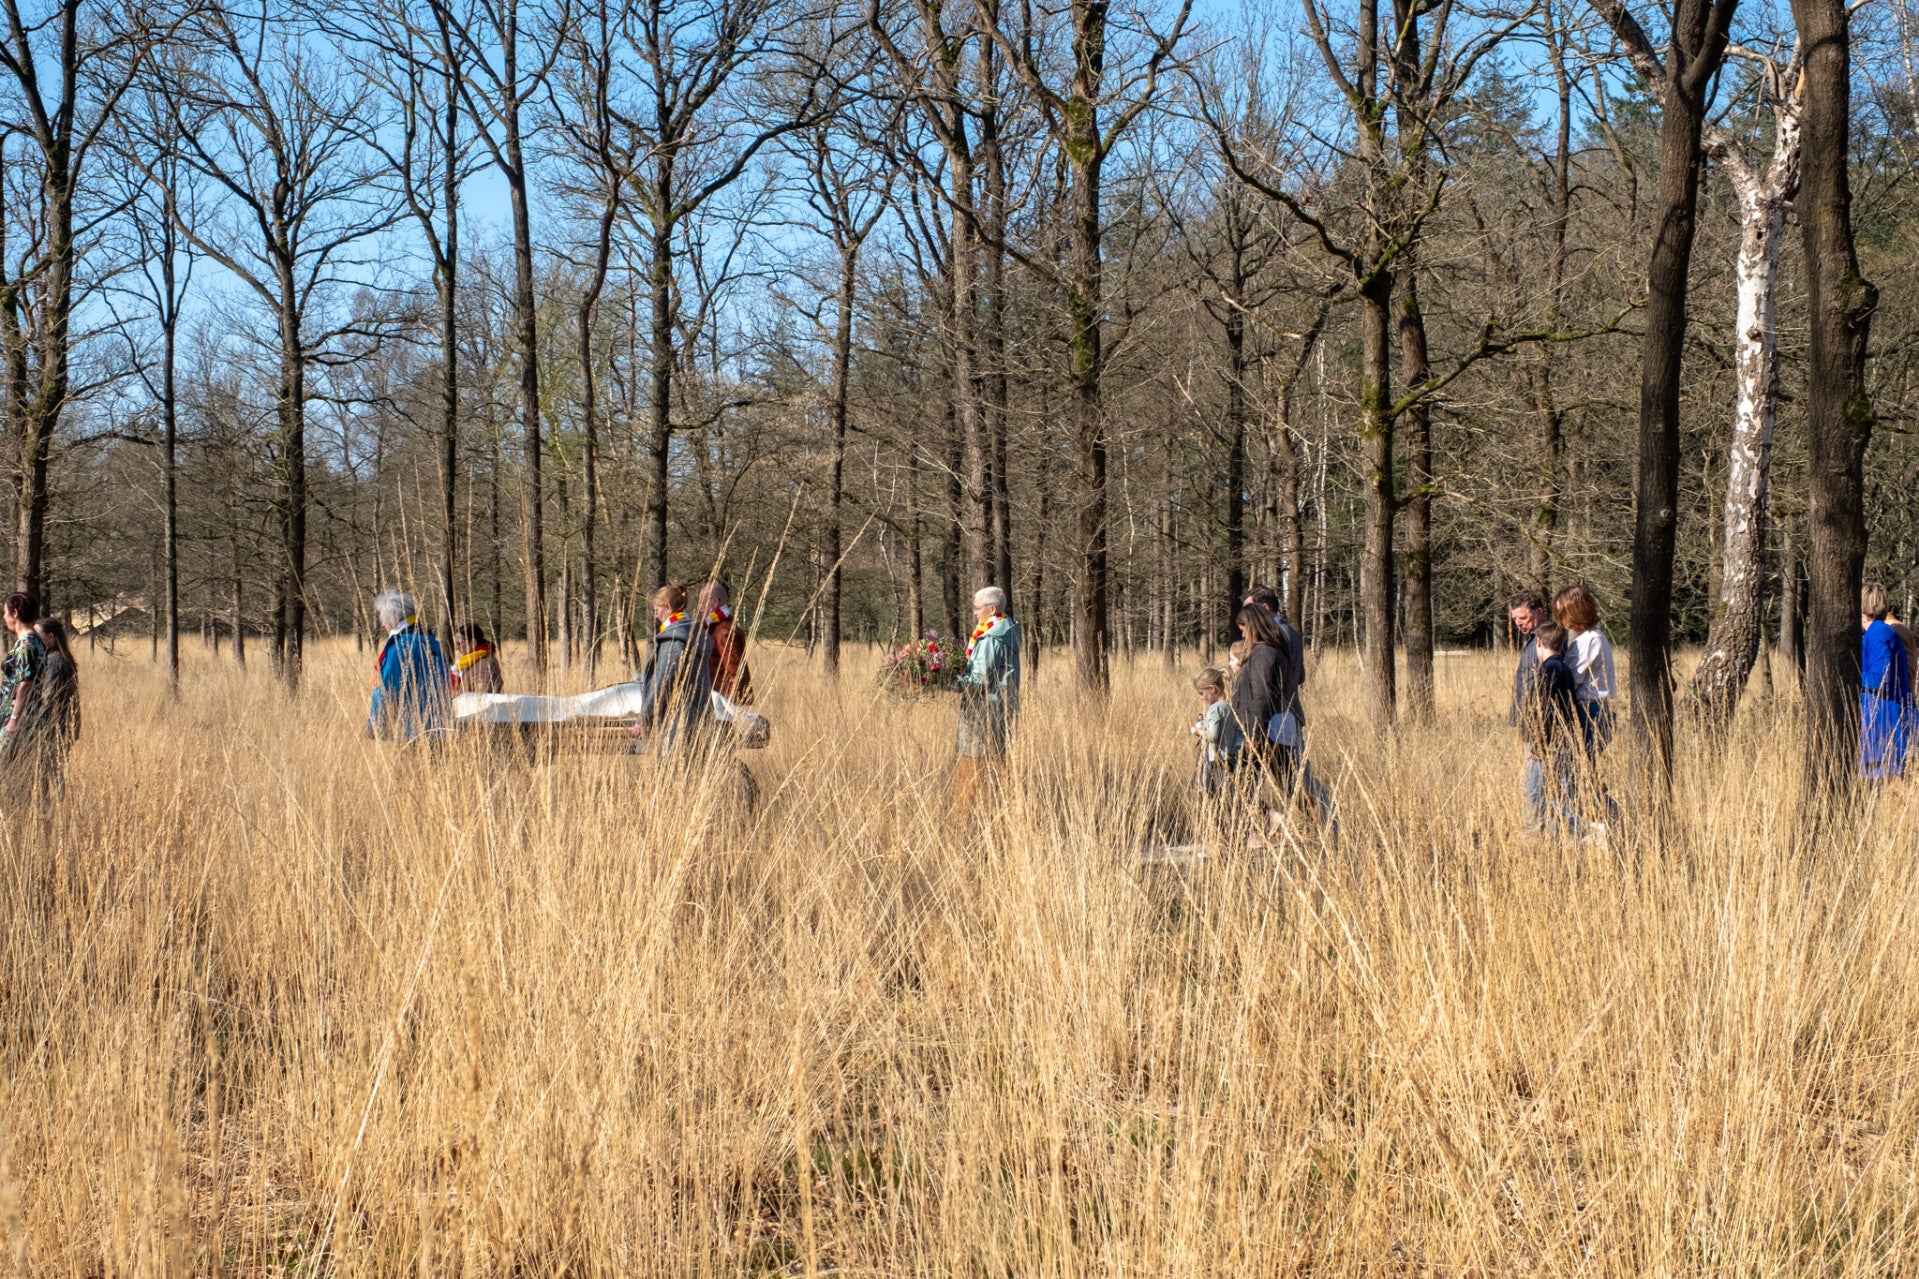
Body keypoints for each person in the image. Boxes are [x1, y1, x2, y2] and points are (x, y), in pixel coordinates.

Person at [1242, 584, 1336, 830]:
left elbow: (1267, 684)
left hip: (1275, 719)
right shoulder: (1290, 632)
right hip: (1284, 716)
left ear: (1264, 608)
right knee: (1292, 779)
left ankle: (1330, 826)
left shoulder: (1274, 636)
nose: (1246, 621)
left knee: (1298, 780)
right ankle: (1320, 826)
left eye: (1250, 611)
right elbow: (1300, 676)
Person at [1228, 605, 1298, 833]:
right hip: (1270, 727)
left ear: (1254, 625)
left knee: (1243, 779)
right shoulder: (1271, 649)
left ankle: (1269, 821)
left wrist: (1255, 734)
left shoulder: (1264, 652)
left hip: (1266, 729)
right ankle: (1269, 823)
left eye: (1244, 629)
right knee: (1287, 783)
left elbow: (1261, 695)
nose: (1242, 634)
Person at [954, 586, 1022, 820]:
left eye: (977, 608)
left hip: (982, 713)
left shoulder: (991, 638)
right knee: (998, 770)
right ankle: (1000, 820)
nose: (974, 612)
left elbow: (978, 681)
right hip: (1000, 711)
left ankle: (963, 823)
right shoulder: (1005, 631)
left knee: (969, 771)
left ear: (992, 609)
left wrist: (944, 681)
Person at [632, 583, 714, 753]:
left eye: (657, 610)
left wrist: (643, 719)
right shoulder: (695, 632)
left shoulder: (674, 640)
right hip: (700, 720)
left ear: (668, 608)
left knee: (673, 769)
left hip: (677, 726)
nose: (655, 615)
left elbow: (662, 684)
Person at [1520, 619, 1583, 834]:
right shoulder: (1563, 667)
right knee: (1554, 793)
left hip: (1550, 744)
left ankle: (1582, 829)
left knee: (1536, 794)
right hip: (1561, 741)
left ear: (1539, 643)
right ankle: (1565, 833)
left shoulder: (1550, 669)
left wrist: (1538, 745)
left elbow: (1545, 710)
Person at [366, 590, 451, 743]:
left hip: (413, 730)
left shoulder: (402, 646)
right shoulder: (431, 642)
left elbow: (389, 690)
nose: (382, 624)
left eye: (383, 620)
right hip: (442, 727)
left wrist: (374, 724)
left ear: (393, 619)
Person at [1553, 584, 1617, 760]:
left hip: (1589, 710)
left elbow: (1571, 680)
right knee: (1586, 764)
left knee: (1577, 766)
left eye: (1563, 614)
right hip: (1597, 709)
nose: (1561, 620)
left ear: (1575, 612)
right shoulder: (1596, 637)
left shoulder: (1588, 641)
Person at [0, 593, 52, 801]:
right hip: (23, 715)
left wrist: (14, 719)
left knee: (8, 768)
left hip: (18, 717)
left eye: (5, 612)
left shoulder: (26, 643)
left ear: (15, 612)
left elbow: (26, 683)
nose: (4, 617)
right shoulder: (34, 640)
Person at [1861, 580, 1912, 782]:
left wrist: (1851, 675)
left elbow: (1879, 679)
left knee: (1894, 784)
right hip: (1881, 719)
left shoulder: (1879, 634)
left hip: (1884, 721)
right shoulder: (1876, 632)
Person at [32, 618, 80, 780]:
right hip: (62, 726)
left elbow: (49, 696)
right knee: (54, 773)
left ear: (51, 637)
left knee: (47, 774)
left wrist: (37, 726)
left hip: (55, 726)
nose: (34, 639)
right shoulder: (60, 657)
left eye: (38, 635)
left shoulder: (55, 660)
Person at [699, 581, 753, 704]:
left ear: (715, 601)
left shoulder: (724, 631)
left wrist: (731, 706)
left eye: (702, 602)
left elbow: (735, 672)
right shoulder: (714, 627)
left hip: (723, 701)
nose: (700, 608)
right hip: (718, 698)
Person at [1190, 667, 1241, 795]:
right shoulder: (1229, 706)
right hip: (1231, 756)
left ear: (1212, 689)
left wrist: (1199, 731)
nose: (1201, 698)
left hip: (1217, 758)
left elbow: (1212, 736)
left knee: (1216, 792)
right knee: (1228, 791)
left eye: (1202, 693)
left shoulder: (1215, 709)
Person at [450, 623, 503, 694]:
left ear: (473, 643)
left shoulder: (485, 664)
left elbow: (483, 695)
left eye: (459, 644)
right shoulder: (468, 662)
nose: (456, 648)